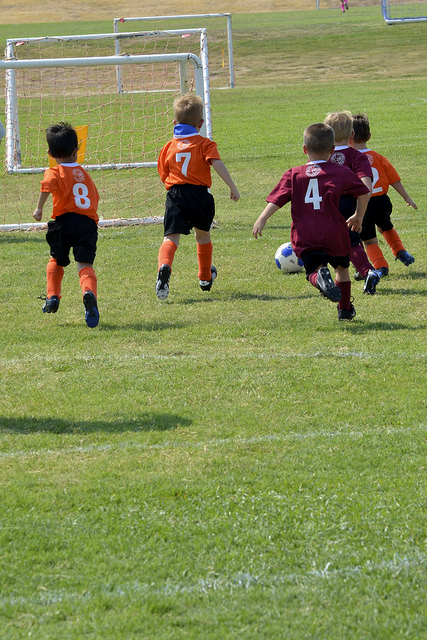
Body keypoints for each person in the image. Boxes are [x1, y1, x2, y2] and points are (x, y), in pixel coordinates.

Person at [252, 123, 370, 321]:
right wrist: (358, 216)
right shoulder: (340, 171)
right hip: (334, 231)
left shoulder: (294, 174)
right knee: (342, 269)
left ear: (304, 149)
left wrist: (262, 218)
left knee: (312, 271)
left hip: (306, 234)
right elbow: (363, 192)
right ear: (332, 150)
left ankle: (319, 279)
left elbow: (277, 200)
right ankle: (344, 310)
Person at [156, 93, 240, 300]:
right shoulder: (205, 144)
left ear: (174, 123)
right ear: (201, 123)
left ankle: (164, 266)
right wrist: (232, 187)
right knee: (202, 236)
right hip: (200, 195)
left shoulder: (168, 147)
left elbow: (163, 173)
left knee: (170, 238)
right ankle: (205, 277)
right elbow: (217, 163)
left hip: (176, 195)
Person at [32, 122, 100, 328]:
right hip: (87, 224)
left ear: (50, 153)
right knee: (85, 266)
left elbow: (46, 186)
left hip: (63, 223)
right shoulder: (84, 174)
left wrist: (39, 209)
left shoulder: (54, 171)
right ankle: (89, 293)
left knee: (56, 260)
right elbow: (95, 197)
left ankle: (52, 296)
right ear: (76, 150)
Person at [350, 113, 417, 275]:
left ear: (348, 138)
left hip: (363, 204)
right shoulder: (378, 157)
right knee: (385, 227)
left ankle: (380, 266)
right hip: (382, 202)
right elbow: (394, 179)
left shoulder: (351, 160)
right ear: (369, 136)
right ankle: (399, 249)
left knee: (369, 239)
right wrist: (406, 197)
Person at [324, 110, 382, 295]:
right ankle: (367, 271)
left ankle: (325, 279)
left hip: (326, 206)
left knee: (330, 245)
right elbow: (366, 187)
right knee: (352, 242)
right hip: (349, 205)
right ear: (352, 135)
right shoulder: (357, 156)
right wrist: (359, 213)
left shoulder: (321, 155)